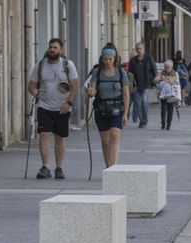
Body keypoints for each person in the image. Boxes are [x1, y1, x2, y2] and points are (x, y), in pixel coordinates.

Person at [27, 38, 78, 179]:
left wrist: (68, 104)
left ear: (61, 50)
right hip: (44, 105)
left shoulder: (68, 65)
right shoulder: (40, 65)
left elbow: (74, 87)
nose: (52, 50)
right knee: (44, 134)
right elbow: (31, 85)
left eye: (55, 47)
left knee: (60, 137)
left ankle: (59, 168)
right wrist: (34, 91)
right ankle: (45, 166)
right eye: (50, 47)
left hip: (62, 107)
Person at [86, 45, 130, 168]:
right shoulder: (97, 72)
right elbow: (93, 91)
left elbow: (126, 94)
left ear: (115, 59)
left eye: (110, 59)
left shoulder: (121, 73)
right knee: (105, 141)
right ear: (102, 58)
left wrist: (126, 114)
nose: (108, 62)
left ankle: (114, 167)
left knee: (115, 136)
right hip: (101, 109)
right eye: (105, 59)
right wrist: (90, 92)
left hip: (117, 109)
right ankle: (108, 165)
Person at [129, 42, 157, 128]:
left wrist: (155, 81)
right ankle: (141, 121)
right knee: (137, 103)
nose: (139, 50)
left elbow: (154, 70)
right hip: (136, 85)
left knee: (144, 101)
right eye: (137, 49)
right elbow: (130, 73)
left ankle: (145, 120)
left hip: (147, 84)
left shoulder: (148, 59)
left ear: (144, 49)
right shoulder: (133, 60)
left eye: (140, 49)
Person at [154, 60, 179, 130]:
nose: (167, 69)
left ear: (172, 67)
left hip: (171, 94)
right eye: (166, 67)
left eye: (169, 67)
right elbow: (155, 80)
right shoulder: (162, 73)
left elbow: (177, 83)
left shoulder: (175, 74)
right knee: (163, 109)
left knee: (170, 109)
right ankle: (163, 124)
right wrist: (160, 78)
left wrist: (171, 81)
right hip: (163, 94)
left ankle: (169, 124)